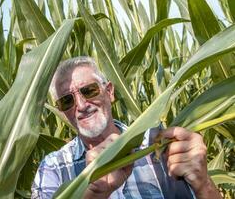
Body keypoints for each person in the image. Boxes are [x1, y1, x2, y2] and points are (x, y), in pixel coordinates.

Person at [31, 56, 221, 199]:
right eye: (67, 101)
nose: (81, 105)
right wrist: (94, 194)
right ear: (62, 112)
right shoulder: (53, 168)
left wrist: (203, 184)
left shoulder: (159, 144)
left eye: (89, 90)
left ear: (110, 92)